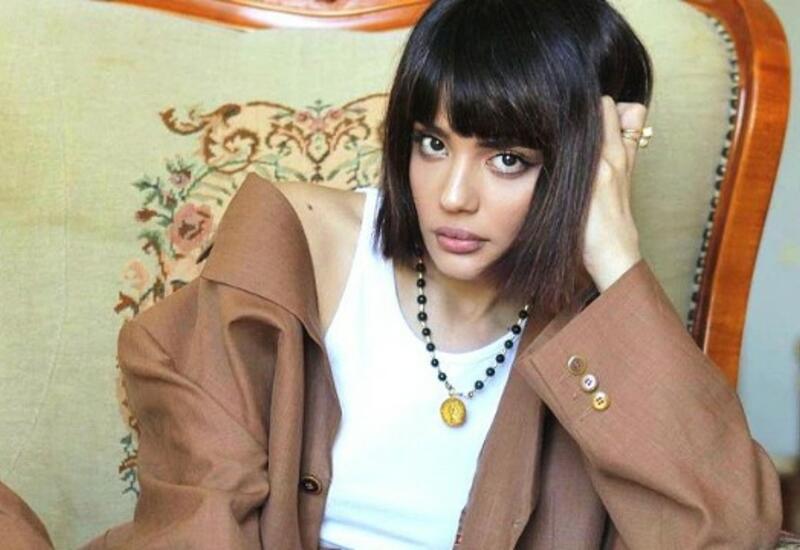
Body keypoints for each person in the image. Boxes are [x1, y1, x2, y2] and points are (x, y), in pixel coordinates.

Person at [0, 0, 785, 548]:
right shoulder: (296, 249)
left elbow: (729, 533)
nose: (452, 195)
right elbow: (200, 520)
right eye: (432, 143)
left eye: (508, 159)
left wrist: (616, 260)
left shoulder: (599, 333)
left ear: (593, 166)